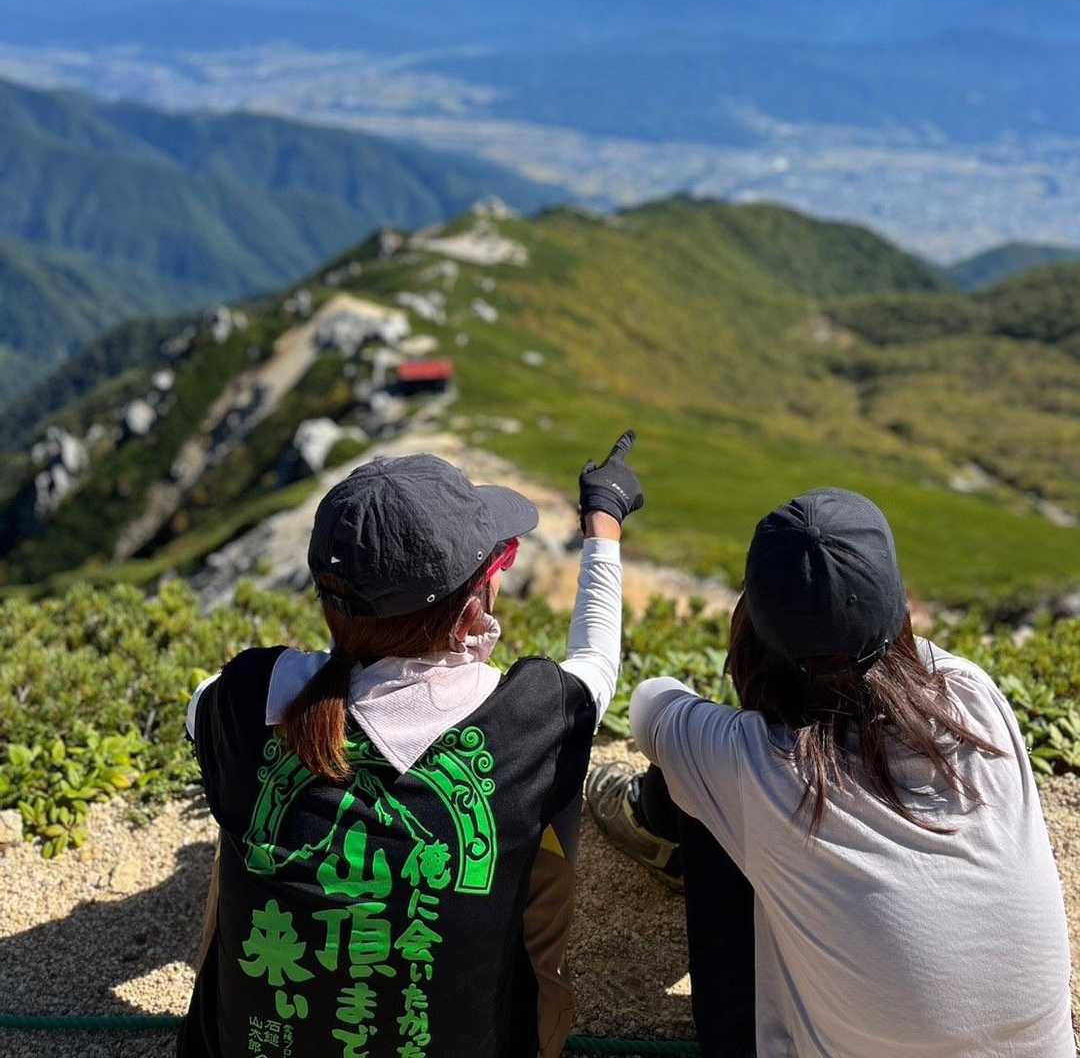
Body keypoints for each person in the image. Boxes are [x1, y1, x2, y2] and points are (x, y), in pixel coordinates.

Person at [180, 434, 644, 1058]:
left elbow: (199, 709)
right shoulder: (531, 719)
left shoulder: (249, 695)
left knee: (237, 812)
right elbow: (596, 664)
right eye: (500, 563)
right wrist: (603, 524)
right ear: (473, 604)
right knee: (546, 821)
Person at [588, 486, 1074, 1058]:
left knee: (706, 790)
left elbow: (651, 703)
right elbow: (908, 662)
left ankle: (648, 823)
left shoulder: (757, 762)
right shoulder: (976, 700)